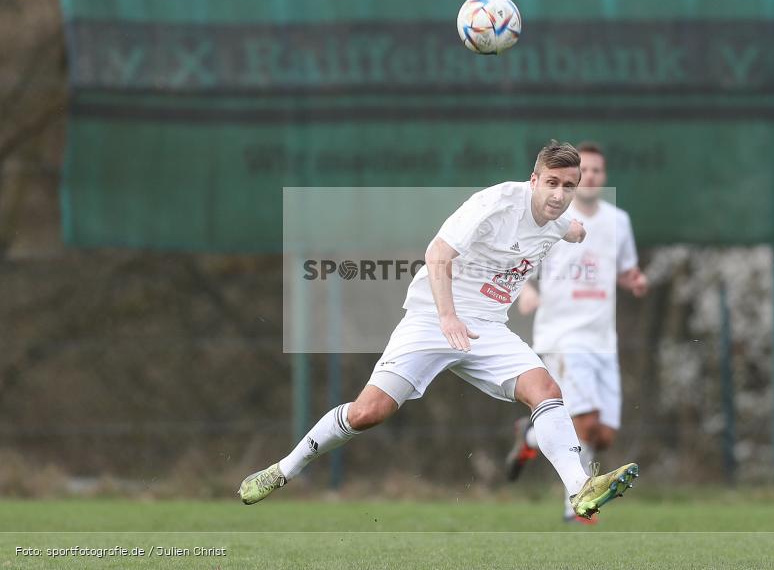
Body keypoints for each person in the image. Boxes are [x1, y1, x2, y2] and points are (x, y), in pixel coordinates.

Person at [239, 140, 639, 520]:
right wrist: (448, 317)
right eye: (552, 183)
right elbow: (437, 254)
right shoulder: (495, 203)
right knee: (368, 413)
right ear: (533, 180)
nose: (559, 193)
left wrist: (577, 232)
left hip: (487, 329)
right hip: (432, 319)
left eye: (569, 186)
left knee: (547, 391)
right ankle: (283, 469)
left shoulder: (560, 220)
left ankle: (579, 488)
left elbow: (571, 229)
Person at [505, 141, 647, 524]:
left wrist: (632, 279)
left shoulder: (618, 222)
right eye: (587, 171)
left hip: (603, 339)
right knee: (583, 423)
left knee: (602, 435)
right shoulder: (547, 219)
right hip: (563, 336)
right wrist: (529, 290)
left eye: (598, 171)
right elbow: (523, 265)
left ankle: (530, 437)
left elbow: (622, 269)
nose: (592, 178)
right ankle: (576, 503)